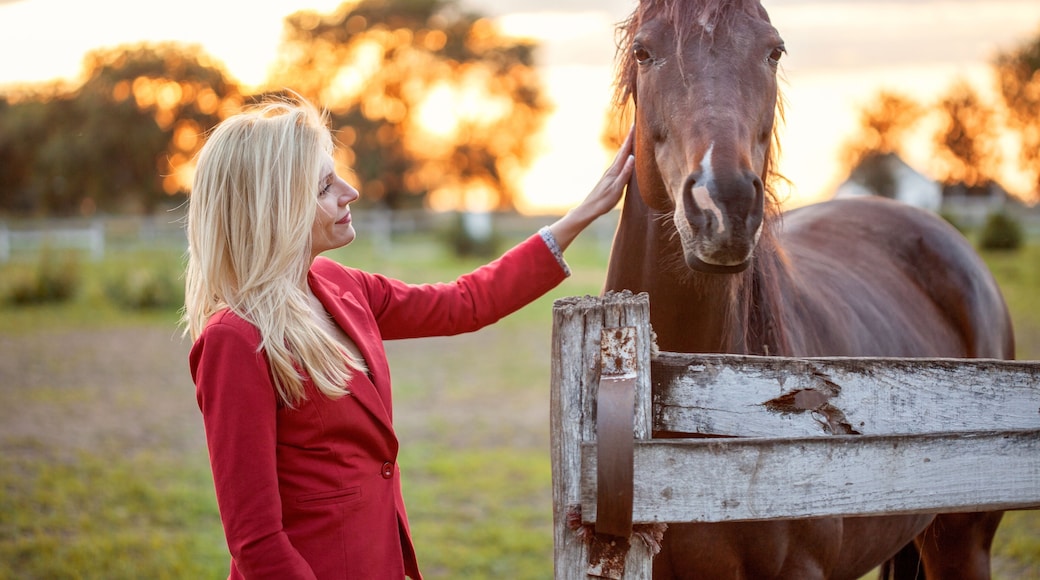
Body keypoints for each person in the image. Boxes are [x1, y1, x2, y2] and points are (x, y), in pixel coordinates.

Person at [183, 94, 634, 580]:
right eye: (324, 186)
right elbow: (257, 542)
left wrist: (580, 216)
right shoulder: (234, 340)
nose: (349, 191)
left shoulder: (343, 286)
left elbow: (466, 301)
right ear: (274, 208)